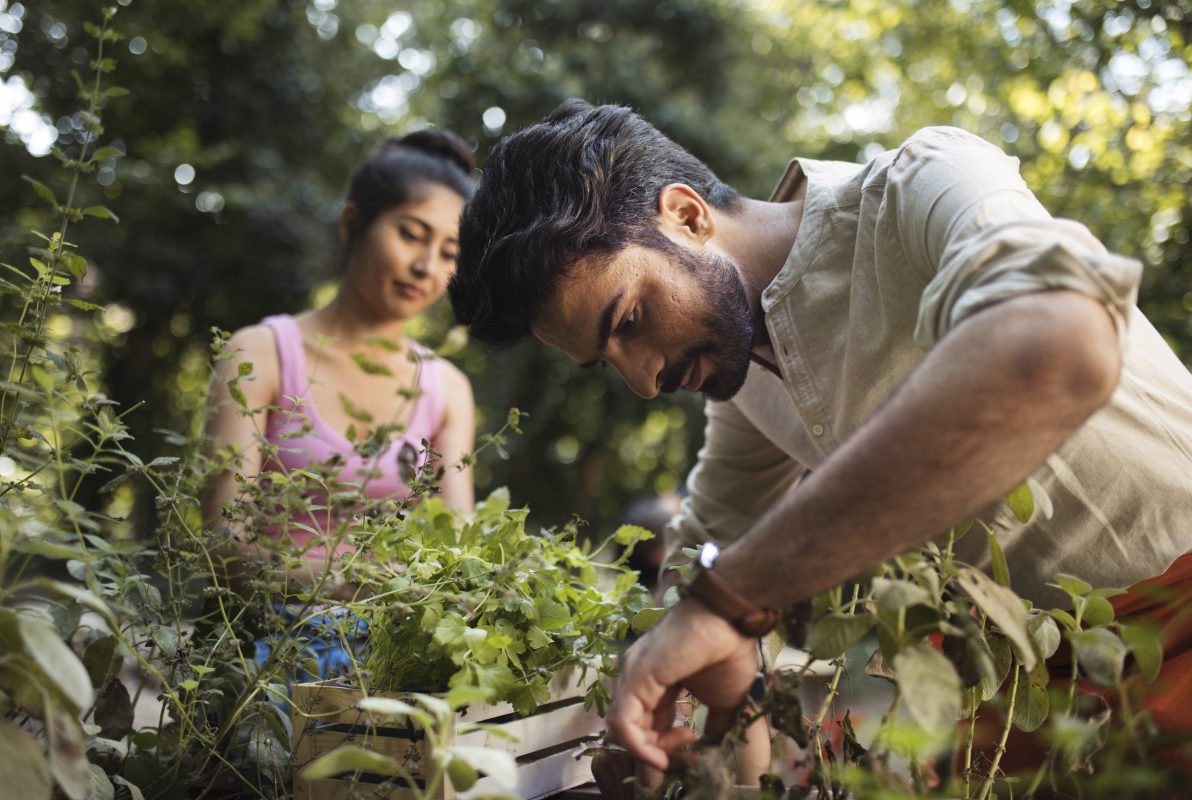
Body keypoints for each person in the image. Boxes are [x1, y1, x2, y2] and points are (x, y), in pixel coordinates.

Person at [448, 99, 1192, 780]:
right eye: (605, 361)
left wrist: (731, 600)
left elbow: (1058, 350)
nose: (642, 381)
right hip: (1035, 698)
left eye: (631, 321)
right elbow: (705, 553)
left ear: (685, 214)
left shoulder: (925, 183)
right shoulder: (748, 386)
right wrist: (669, 672)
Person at [206, 129, 477, 610]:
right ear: (352, 224)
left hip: (385, 665)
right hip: (253, 655)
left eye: (449, 253)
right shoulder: (260, 353)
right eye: (411, 235)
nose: (426, 266)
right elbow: (225, 547)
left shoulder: (447, 389)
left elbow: (455, 553)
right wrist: (373, 581)